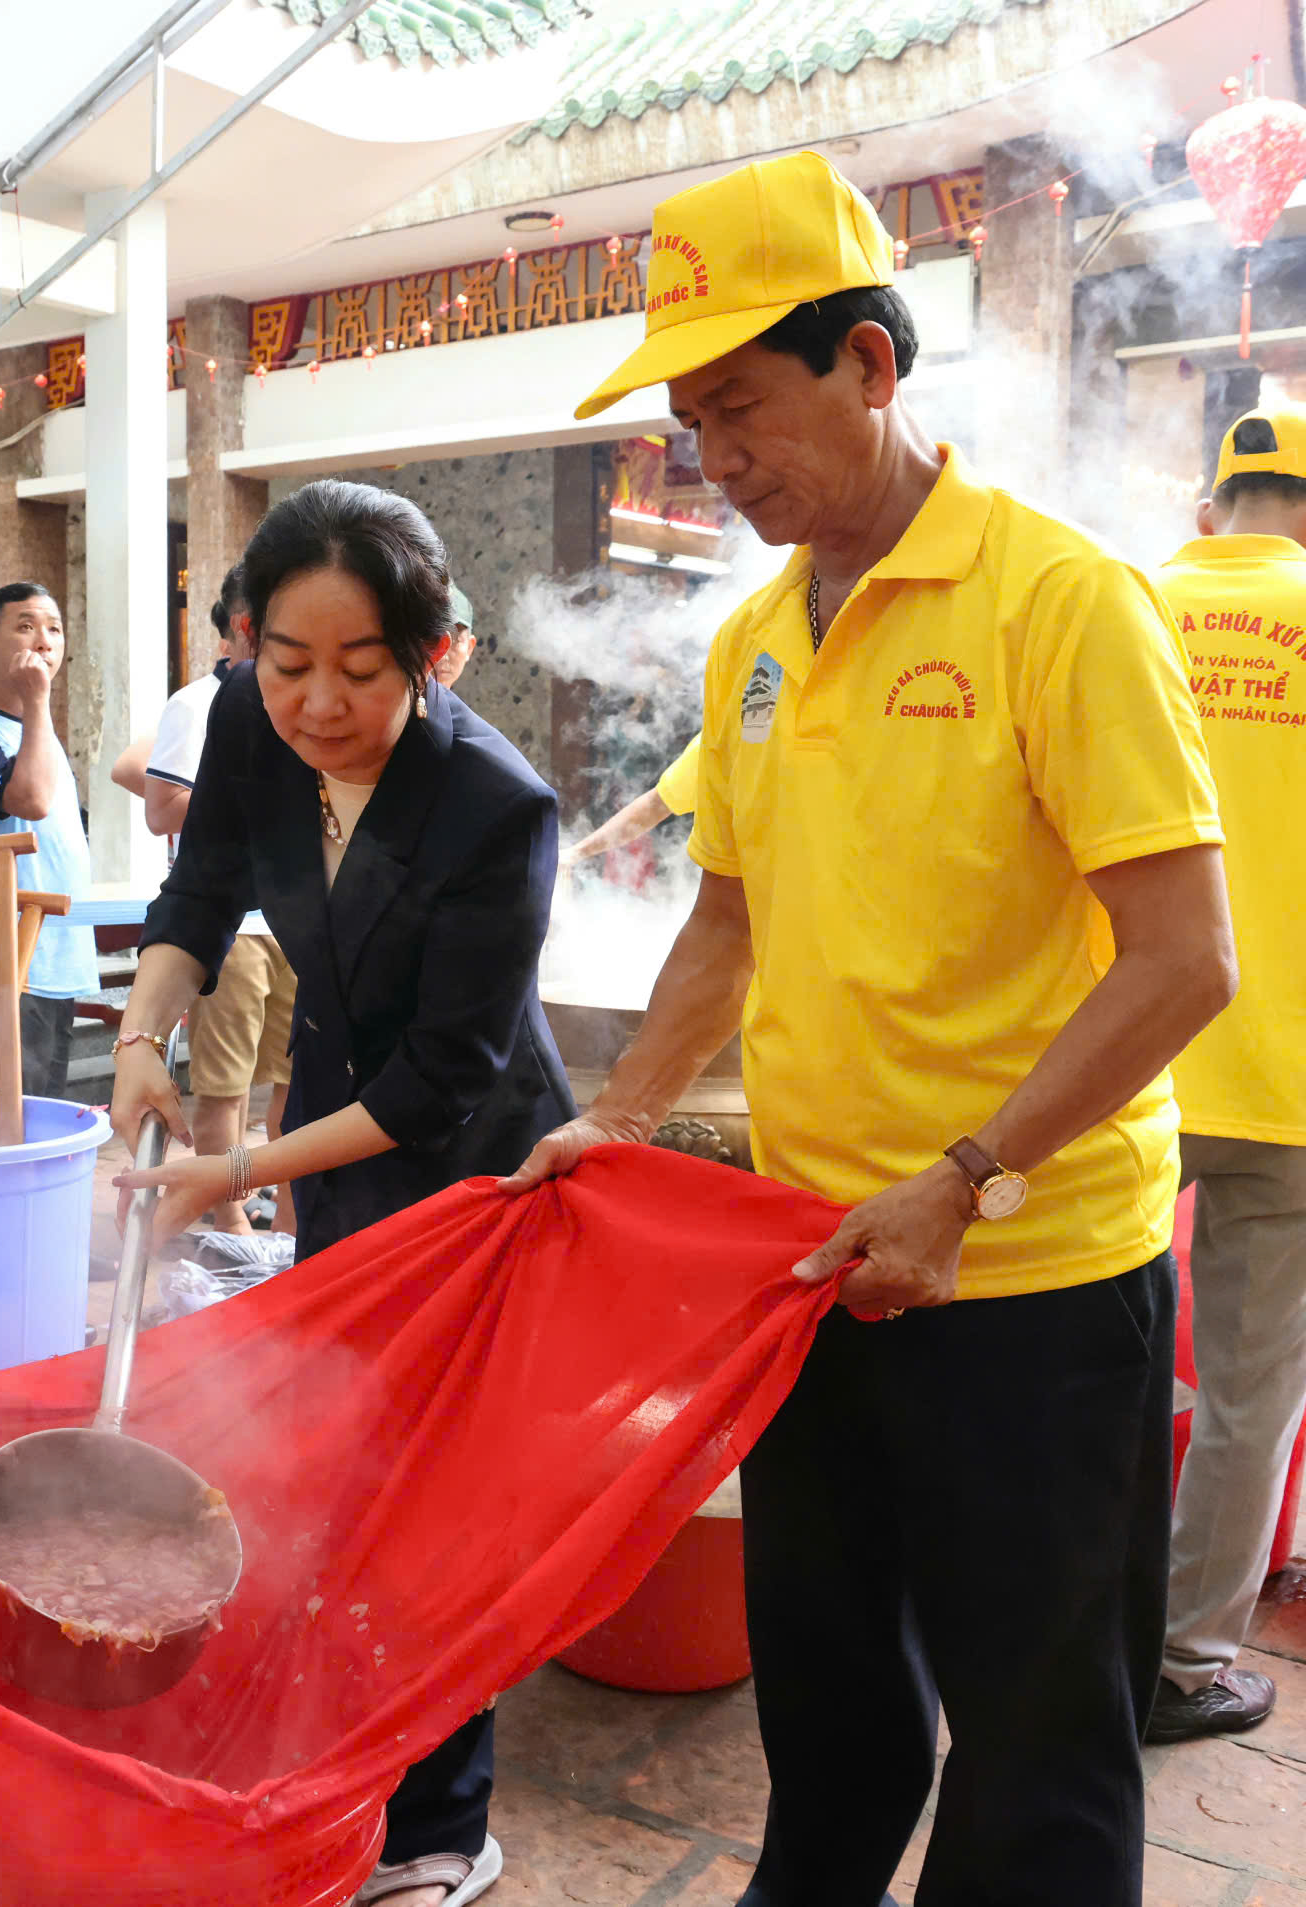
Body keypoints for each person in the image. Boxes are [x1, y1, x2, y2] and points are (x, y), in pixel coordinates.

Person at [507, 151, 1234, 1905]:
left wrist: (968, 1177)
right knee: (828, 1695)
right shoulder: (756, 638)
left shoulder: (1061, 606)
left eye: (745, 408)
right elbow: (733, 919)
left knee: (1040, 1742)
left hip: (1031, 1278)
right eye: (694, 425)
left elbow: (1184, 959)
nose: (721, 459)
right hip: (819, 1264)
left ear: (873, 368)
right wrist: (627, 1108)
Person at [113, 481, 576, 1907]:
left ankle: (445, 1822)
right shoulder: (252, 724)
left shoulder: (496, 803)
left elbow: (443, 1083)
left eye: (359, 670)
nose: (314, 701)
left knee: (435, 1495)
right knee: (337, 1458)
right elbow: (198, 899)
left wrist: (229, 1170)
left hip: (472, 1167)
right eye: (286, 659)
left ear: (435, 653)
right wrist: (141, 1043)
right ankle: (337, 1751)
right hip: (329, 1121)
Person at [1144, 408, 1306, 1743]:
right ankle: (1185, 1661)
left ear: (1217, 508)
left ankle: (1038, 1614)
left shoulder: (1131, 600)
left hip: (1118, 1060)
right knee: (1253, 1390)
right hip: (1294, 1086)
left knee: (1083, 1355)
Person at [145, 565, 300, 1232]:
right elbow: (162, 807)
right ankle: (230, 1224)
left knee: (299, 1085)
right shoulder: (197, 703)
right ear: (246, 627)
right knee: (226, 1083)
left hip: (295, 922)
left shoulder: (298, 700)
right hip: (231, 929)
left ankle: (293, 1220)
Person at [0, 581, 97, 1098]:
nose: (45, 641)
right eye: (26, 626)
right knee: (13, 1114)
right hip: (16, 959)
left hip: (60, 954)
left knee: (44, 1106)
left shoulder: (37, 731)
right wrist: (38, 700)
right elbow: (30, 801)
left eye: (54, 628)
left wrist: (37, 709)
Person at [560, 733, 699, 867]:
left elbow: (654, 806)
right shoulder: (708, 747)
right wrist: (575, 853)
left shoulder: (713, 740)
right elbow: (654, 806)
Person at [431, 580, 477, 689]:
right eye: (434, 639)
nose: (443, 656)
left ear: (469, 648)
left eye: (455, 640)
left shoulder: (457, 706)